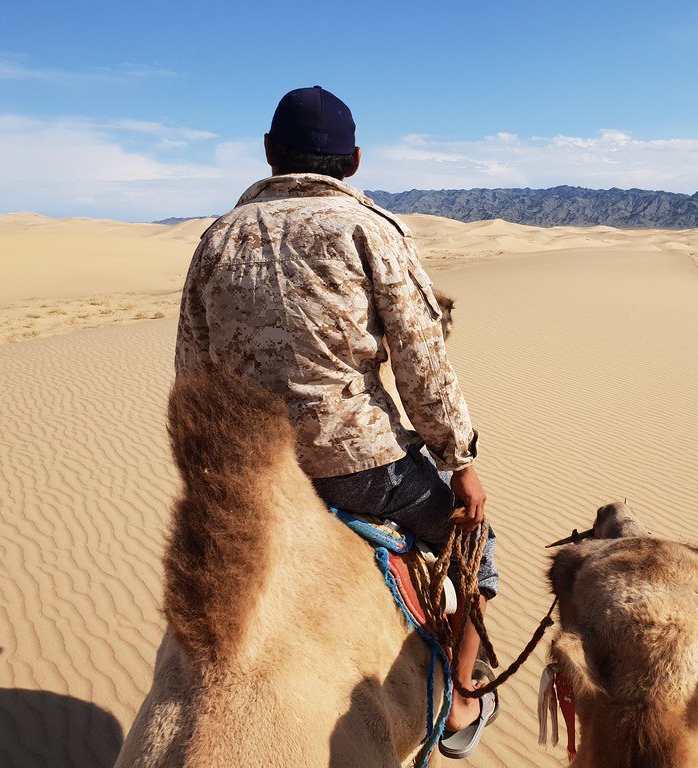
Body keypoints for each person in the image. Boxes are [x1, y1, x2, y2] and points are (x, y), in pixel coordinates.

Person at [174, 85, 499, 758]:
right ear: (352, 160)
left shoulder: (215, 240)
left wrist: (217, 481)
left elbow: (191, 379)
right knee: (475, 547)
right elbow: (422, 361)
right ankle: (464, 698)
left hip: (254, 479)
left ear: (268, 153)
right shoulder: (371, 231)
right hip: (362, 468)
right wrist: (460, 462)